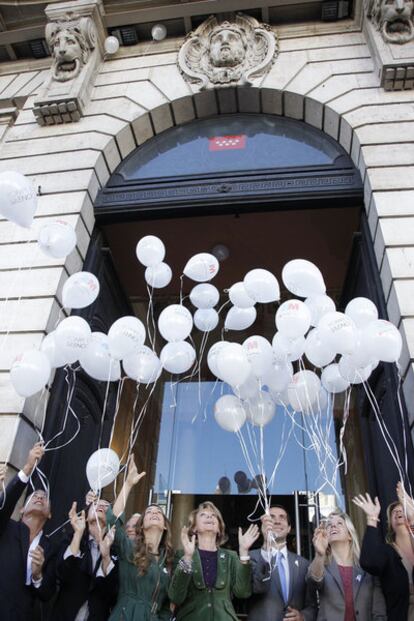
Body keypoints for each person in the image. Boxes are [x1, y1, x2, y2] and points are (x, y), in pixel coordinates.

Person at [107, 455, 173, 620]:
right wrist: (128, 484)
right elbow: (112, 521)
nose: (154, 513)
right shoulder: (129, 548)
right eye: (149, 513)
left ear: (165, 526)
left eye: (158, 512)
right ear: (141, 525)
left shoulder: (169, 562)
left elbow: (167, 605)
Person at [169, 500, 259, 620]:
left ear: (219, 529)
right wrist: (188, 557)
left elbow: (242, 592)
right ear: (194, 527)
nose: (209, 517)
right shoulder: (181, 555)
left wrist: (243, 553)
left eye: (213, 516)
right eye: (203, 515)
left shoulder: (230, 556)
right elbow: (176, 597)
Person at [0, 442, 57, 621]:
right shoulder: (6, 527)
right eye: (35, 496)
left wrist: (38, 575)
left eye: (44, 497)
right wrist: (28, 468)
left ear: (49, 514)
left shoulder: (50, 548)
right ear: (22, 509)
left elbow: (47, 593)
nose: (40, 496)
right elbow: (4, 505)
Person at [307, 510, 386, 621]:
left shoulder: (367, 568)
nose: (333, 525)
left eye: (339, 523)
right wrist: (320, 554)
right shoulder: (321, 565)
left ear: (350, 535)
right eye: (329, 525)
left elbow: (379, 611)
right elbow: (313, 581)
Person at [50, 492, 118, 620]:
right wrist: (78, 534)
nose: (101, 506)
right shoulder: (71, 539)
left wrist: (106, 556)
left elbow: (111, 593)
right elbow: (61, 573)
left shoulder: (114, 551)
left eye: (106, 506)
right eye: (96, 504)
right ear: (86, 516)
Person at [353, 483, 414, 620]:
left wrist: (413, 519)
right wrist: (372, 518)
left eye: (403, 509)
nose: (398, 512)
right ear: (390, 524)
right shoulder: (388, 553)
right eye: (394, 512)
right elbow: (369, 562)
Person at [248, 504, 317, 621]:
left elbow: (312, 606)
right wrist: (266, 544)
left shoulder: (304, 564)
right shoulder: (251, 557)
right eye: (272, 518)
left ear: (289, 528)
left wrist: (302, 616)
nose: (277, 521)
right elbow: (257, 588)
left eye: (282, 517)